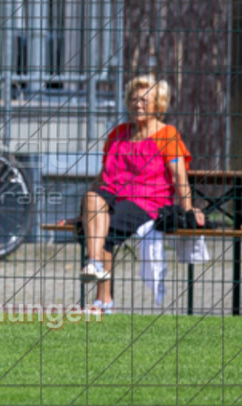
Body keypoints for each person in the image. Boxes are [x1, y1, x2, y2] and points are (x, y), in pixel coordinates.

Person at [77, 74, 205, 314]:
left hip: (147, 200)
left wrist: (188, 209)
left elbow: (180, 178)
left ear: (158, 105)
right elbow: (103, 176)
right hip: (115, 194)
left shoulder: (167, 135)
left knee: (108, 228)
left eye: (145, 100)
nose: (138, 104)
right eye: (134, 99)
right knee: (92, 198)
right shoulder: (117, 134)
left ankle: (103, 301)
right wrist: (83, 212)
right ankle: (94, 263)